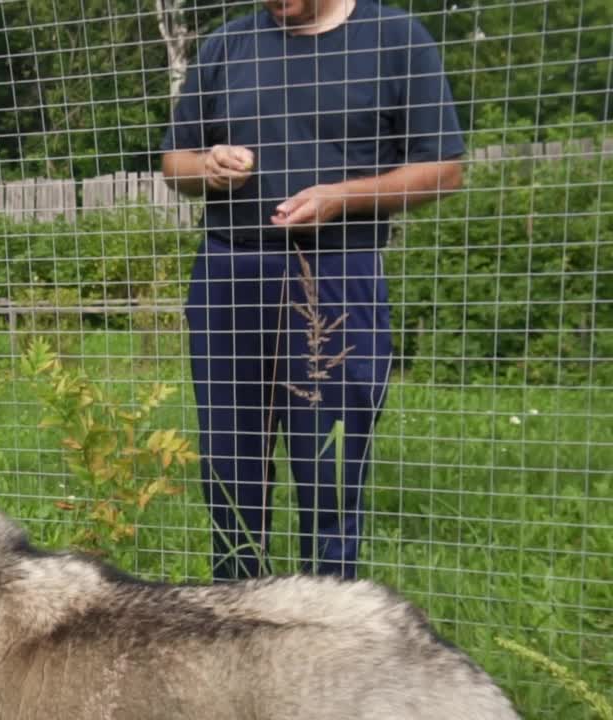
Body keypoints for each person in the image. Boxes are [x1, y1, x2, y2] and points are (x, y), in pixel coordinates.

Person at [160, 0, 465, 581]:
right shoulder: (227, 45)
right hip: (232, 274)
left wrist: (340, 197)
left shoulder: (396, 38)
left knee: (330, 468)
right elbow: (175, 161)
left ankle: (326, 626)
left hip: (336, 274)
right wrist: (209, 166)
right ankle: (238, 618)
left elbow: (443, 170)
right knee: (231, 465)